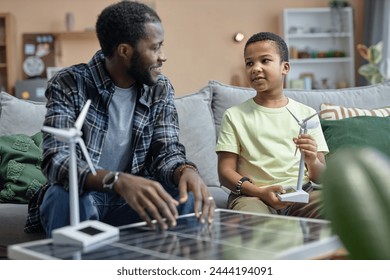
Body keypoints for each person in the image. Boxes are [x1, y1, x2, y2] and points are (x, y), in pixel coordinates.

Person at [25, 1, 215, 237]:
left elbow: (167, 152)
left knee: (187, 199)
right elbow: (57, 161)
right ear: (125, 51)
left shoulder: (160, 88)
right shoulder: (70, 83)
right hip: (87, 195)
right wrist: (116, 181)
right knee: (63, 196)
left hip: (131, 201)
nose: (163, 57)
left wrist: (186, 171)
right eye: (155, 48)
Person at [216, 32, 328, 219]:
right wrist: (259, 192)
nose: (255, 68)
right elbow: (225, 172)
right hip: (252, 196)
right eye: (249, 63)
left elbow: (321, 175)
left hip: (302, 193)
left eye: (265, 61)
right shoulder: (234, 115)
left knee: (336, 209)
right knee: (254, 221)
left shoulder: (306, 115)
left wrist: (312, 160)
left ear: (285, 67)